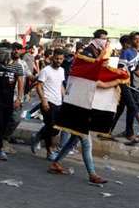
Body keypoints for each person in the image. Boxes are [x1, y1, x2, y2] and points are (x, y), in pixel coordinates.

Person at [49, 30, 123, 185]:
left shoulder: (88, 61)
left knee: (74, 139)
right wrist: (118, 80)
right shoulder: (85, 59)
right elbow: (99, 83)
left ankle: (56, 162)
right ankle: (92, 174)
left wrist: (117, 77)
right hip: (79, 107)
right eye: (103, 40)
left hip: (83, 106)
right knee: (86, 142)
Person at [0, 42, 24, 161]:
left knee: (5, 123)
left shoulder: (17, 66)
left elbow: (20, 84)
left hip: (9, 100)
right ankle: (0, 148)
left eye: (1, 53)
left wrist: (19, 98)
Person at [31, 48, 65, 160]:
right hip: (48, 102)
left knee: (56, 129)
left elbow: (60, 85)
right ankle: (49, 151)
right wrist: (44, 100)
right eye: (56, 58)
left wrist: (65, 98)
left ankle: (37, 136)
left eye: (60, 59)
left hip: (59, 102)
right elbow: (39, 86)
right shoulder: (46, 70)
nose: (58, 61)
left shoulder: (62, 71)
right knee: (51, 127)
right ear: (52, 58)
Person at [115, 31, 139, 143]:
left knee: (130, 107)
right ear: (131, 40)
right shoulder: (126, 52)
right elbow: (121, 69)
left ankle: (137, 131)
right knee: (129, 107)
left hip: (130, 84)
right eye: (136, 39)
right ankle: (138, 131)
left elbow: (134, 70)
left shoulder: (136, 53)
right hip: (125, 83)